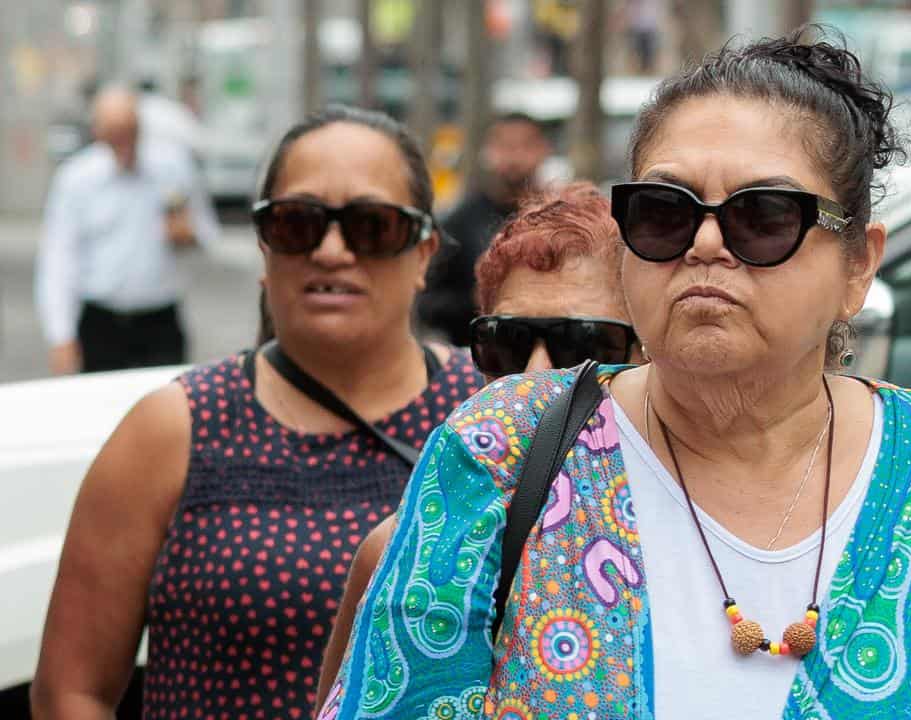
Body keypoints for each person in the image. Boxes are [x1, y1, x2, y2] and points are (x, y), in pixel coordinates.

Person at [318, 30, 911, 720]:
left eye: (764, 217)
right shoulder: (498, 449)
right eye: (664, 211)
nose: (707, 245)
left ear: (859, 265)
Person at [30, 106, 484, 720]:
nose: (330, 250)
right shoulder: (172, 430)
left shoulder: (490, 418)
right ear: (265, 247)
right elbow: (71, 692)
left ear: (424, 251)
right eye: (298, 223)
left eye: (371, 226)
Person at [313, 181, 641, 707]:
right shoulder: (403, 549)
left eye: (582, 344)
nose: (537, 375)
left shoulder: (699, 531)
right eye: (506, 344)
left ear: (648, 353)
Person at [35, 86, 220, 375]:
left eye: (129, 130)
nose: (123, 141)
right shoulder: (77, 179)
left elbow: (208, 233)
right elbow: (59, 259)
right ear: (97, 132)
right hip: (101, 322)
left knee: (168, 411)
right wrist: (61, 336)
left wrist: (189, 235)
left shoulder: (172, 167)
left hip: (160, 320)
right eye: (113, 132)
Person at [417, 112, 552, 347]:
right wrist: (475, 301)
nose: (515, 156)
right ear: (488, 151)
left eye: (525, 145)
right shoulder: (459, 222)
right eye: (505, 146)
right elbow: (427, 302)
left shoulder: (560, 217)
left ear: (543, 150)